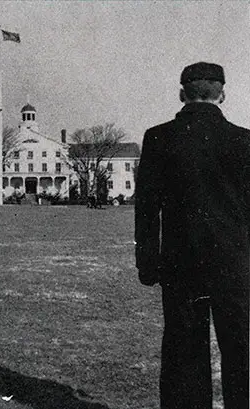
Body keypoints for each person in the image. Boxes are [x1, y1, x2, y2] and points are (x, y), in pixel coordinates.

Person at [135, 62, 250, 409]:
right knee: (240, 351)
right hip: (235, 264)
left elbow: (146, 209)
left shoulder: (158, 137)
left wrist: (147, 263)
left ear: (182, 94)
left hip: (181, 265)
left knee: (183, 352)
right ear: (223, 94)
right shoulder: (244, 141)